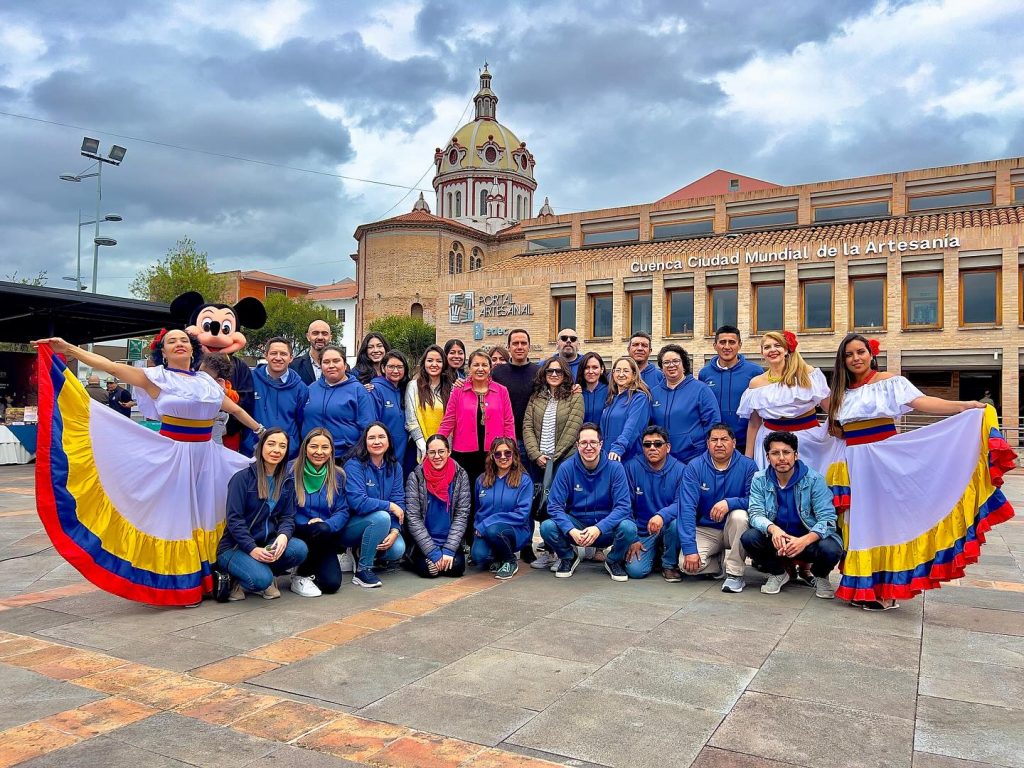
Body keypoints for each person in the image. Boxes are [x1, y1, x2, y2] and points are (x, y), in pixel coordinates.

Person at [32, 331, 260, 606]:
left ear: (193, 349)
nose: (179, 344)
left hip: (208, 458)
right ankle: (181, 585)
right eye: (171, 341)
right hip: (173, 456)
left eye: (184, 340)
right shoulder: (156, 378)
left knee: (207, 514)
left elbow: (235, 410)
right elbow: (111, 367)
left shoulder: (206, 382)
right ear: (162, 352)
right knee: (177, 519)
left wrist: (262, 431)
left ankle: (209, 578)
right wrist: (70, 348)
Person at [825, 334, 1015, 610]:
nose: (855, 358)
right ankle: (862, 587)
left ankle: (887, 591)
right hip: (853, 463)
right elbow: (837, 430)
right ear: (842, 360)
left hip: (883, 459)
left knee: (885, 522)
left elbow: (922, 402)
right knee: (859, 524)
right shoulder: (840, 393)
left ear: (871, 354)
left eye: (860, 352)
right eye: (849, 354)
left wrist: (963, 406)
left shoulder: (890, 382)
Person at [742, 431, 844, 599]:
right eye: (775, 453)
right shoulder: (759, 479)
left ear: (796, 455)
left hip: (808, 541)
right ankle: (778, 572)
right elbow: (755, 513)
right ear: (768, 457)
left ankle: (820, 575)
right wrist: (773, 529)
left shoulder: (814, 479)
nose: (781, 458)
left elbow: (827, 519)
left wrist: (804, 541)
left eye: (786, 452)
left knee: (831, 548)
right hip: (778, 541)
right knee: (749, 537)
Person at [217, 428, 308, 600]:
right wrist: (252, 549)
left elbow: (287, 517)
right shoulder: (242, 479)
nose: (276, 450)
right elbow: (234, 520)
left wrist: (283, 536)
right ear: (261, 447)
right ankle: (241, 580)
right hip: (235, 547)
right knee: (260, 580)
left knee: (299, 549)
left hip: (266, 543)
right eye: (271, 444)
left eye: (282, 446)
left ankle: (266, 575)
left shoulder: (287, 481)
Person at [738, 331, 841, 475]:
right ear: (762, 353)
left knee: (809, 482)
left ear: (786, 350)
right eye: (767, 347)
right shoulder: (756, 384)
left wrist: (844, 431)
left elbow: (830, 408)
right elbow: (754, 424)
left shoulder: (807, 374)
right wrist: (748, 458)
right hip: (770, 442)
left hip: (807, 441)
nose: (772, 350)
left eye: (777, 345)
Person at [541, 423, 634, 580]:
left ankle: (613, 560)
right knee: (547, 527)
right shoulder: (566, 468)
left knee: (629, 528)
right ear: (577, 445)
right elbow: (554, 506)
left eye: (593, 442)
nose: (588, 447)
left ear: (601, 444)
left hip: (605, 529)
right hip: (577, 526)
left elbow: (623, 507)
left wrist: (599, 528)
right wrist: (571, 530)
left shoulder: (616, 468)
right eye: (584, 443)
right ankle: (568, 556)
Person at [675, 424, 757, 593]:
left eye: (724, 439)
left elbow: (755, 501)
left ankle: (735, 574)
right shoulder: (695, 467)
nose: (719, 444)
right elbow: (687, 508)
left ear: (734, 442)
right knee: (686, 565)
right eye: (714, 440)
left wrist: (730, 503)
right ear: (708, 443)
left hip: (733, 528)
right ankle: (717, 564)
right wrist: (690, 549)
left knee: (740, 516)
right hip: (706, 529)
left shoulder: (748, 466)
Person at [438, 349, 515, 508]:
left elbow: (508, 422)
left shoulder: (502, 391)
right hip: (464, 453)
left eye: (484, 365)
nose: (480, 369)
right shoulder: (458, 390)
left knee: (490, 493)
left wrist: (510, 448)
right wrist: (437, 443)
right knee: (465, 496)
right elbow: (449, 420)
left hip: (493, 452)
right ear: (469, 368)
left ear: (490, 368)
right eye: (476, 365)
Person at [342, 422, 407, 587]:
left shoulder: (395, 467)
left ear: (389, 441)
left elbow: (399, 501)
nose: (377, 441)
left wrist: (395, 530)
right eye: (371, 438)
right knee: (382, 517)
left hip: (383, 524)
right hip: (352, 525)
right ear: (365, 442)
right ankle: (363, 570)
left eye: (381, 437)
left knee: (397, 549)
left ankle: (361, 552)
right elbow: (358, 502)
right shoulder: (354, 465)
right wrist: (390, 506)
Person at [288, 428, 350, 597]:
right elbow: (284, 509)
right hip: (298, 530)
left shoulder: (338, 475)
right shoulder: (290, 471)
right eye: (314, 446)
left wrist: (327, 524)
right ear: (305, 448)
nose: (319, 452)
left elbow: (343, 510)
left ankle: (310, 566)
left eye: (325, 447)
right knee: (317, 531)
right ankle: (300, 574)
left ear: (331, 451)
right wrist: (306, 523)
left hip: (324, 532)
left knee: (331, 585)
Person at [624, 426, 686, 581]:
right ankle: (654, 554)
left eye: (658, 444)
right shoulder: (631, 467)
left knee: (677, 523)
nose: (652, 448)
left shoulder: (681, 470)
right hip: (642, 531)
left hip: (668, 527)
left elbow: (682, 503)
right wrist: (633, 539)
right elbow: (625, 506)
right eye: (647, 444)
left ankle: (669, 564)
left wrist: (661, 516)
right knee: (636, 572)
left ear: (668, 447)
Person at [405, 434, 471, 578]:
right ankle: (414, 558)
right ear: (426, 454)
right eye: (432, 452)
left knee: (457, 568)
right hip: (424, 541)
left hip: (449, 539)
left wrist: (449, 550)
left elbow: (462, 515)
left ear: (449, 452)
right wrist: (433, 552)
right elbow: (413, 518)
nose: (437, 456)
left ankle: (438, 560)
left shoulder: (460, 475)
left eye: (441, 451)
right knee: (428, 571)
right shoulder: (416, 476)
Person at [472, 438, 534, 579]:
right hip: (486, 530)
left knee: (494, 530)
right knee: (478, 557)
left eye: (507, 453)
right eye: (498, 454)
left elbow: (522, 515)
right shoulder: (481, 480)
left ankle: (509, 561)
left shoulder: (524, 480)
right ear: (492, 457)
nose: (503, 457)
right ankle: (498, 556)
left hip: (514, 529)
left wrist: (486, 524)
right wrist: (478, 527)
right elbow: (478, 509)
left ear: (514, 455)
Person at [649, 344, 721, 464]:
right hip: (662, 459)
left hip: (693, 457)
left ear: (684, 364)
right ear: (661, 367)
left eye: (676, 361)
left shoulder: (700, 389)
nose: (671, 365)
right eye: (666, 362)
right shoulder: (654, 393)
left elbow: (713, 423)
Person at [302, 344, 375, 460]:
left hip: (344, 457)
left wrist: (358, 455)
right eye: (326, 362)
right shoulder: (310, 389)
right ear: (320, 366)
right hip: (312, 456)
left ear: (345, 365)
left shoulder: (358, 390)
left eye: (336, 361)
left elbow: (367, 427)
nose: (331, 365)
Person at [699, 325, 764, 454]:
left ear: (740, 345)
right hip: (716, 443)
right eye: (722, 342)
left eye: (732, 342)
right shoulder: (705, 373)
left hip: (746, 443)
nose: (727, 347)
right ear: (715, 345)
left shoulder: (755, 372)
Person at [246, 337, 308, 459]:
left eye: (283, 354)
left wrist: (293, 445)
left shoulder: (301, 388)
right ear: (266, 355)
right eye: (274, 353)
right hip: (253, 450)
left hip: (286, 454)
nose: (278, 358)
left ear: (291, 358)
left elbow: (301, 421)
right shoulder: (250, 379)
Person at [523, 358, 584, 480]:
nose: (554, 374)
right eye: (550, 371)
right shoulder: (535, 397)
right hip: (537, 461)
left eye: (558, 371)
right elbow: (527, 426)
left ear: (565, 374)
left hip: (564, 460)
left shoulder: (575, 396)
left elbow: (572, 430)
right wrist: (536, 455)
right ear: (544, 373)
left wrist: (553, 459)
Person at [491, 329, 540, 452]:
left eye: (523, 343)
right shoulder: (497, 372)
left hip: (532, 440)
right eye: (515, 343)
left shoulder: (539, 372)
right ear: (508, 347)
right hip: (503, 438)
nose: (519, 347)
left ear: (529, 347)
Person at [405, 345, 452, 462]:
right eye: (430, 360)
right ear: (424, 363)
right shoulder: (413, 386)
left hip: (444, 449)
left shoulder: (451, 389)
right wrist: (423, 445)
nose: (434, 364)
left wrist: (443, 447)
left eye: (439, 361)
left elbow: (452, 421)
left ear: (444, 364)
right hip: (419, 446)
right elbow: (411, 420)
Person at [600, 356, 651, 462]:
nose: (621, 374)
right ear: (613, 374)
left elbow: (632, 427)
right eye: (618, 370)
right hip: (607, 456)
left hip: (627, 457)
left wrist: (619, 447)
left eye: (626, 371)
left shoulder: (639, 398)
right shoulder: (611, 399)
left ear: (634, 375)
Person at [369, 350, 410, 469]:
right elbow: (372, 423)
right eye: (391, 367)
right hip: (384, 451)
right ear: (383, 368)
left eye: (400, 367)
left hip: (403, 450)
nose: (396, 371)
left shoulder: (406, 389)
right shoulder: (375, 389)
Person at [199, 353, 236, 445]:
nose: (200, 376)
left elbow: (235, 399)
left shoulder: (223, 384)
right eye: (200, 371)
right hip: (201, 418)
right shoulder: (196, 381)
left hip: (217, 418)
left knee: (215, 445)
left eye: (206, 375)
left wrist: (225, 390)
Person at [290, 319, 333, 385]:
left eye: (324, 334)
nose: (320, 337)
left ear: (330, 337)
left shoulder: (340, 367)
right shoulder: (294, 366)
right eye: (315, 333)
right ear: (308, 337)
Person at [575, 352, 609, 425]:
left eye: (595, 367)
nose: (590, 372)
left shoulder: (610, 391)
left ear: (602, 369)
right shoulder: (576, 392)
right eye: (586, 368)